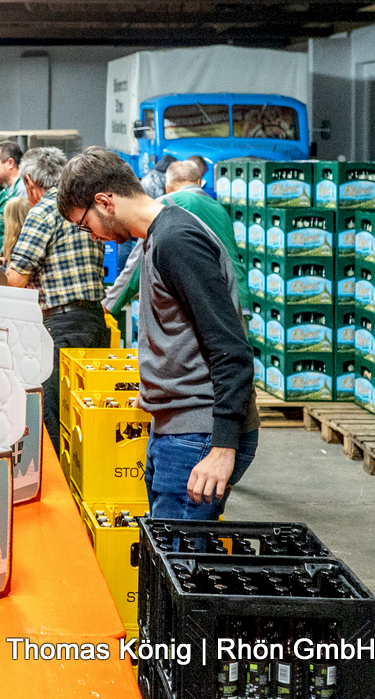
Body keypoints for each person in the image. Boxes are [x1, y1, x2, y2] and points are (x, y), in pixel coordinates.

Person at [56, 148, 260, 521]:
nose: (94, 237)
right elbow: (182, 334)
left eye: (86, 225)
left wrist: (223, 447)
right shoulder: (156, 237)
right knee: (166, 555)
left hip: (198, 434)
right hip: (177, 428)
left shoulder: (176, 240)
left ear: (105, 202)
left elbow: (230, 347)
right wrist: (155, 389)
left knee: (179, 564)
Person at [4, 146, 107, 449]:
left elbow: (15, 280)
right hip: (94, 321)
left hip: (61, 327)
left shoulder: (44, 211)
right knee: (86, 414)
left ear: (29, 183)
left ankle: (60, 483)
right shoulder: (84, 207)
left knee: (53, 413)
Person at [107, 158, 253, 321]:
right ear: (198, 182)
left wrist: (110, 303)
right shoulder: (219, 208)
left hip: (202, 307)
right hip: (238, 297)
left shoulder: (166, 203)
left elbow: (137, 262)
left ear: (167, 187)